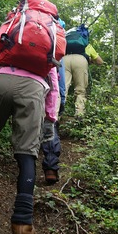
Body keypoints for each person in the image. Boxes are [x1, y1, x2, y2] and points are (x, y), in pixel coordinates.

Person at [0, 12, 60, 234]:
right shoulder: (50, 35)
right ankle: (22, 224)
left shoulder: (10, 27)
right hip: (34, 88)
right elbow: (53, 78)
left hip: (0, 81)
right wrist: (51, 112)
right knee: (27, 154)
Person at [40, 18, 67, 184]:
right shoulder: (56, 42)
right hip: (49, 89)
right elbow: (60, 78)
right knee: (49, 125)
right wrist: (61, 100)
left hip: (27, 86)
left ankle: (24, 164)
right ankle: (50, 167)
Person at [63, 27, 103, 117]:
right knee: (80, 90)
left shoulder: (66, 43)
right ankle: (79, 115)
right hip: (80, 61)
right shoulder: (86, 45)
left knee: (62, 89)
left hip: (64, 60)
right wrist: (90, 61)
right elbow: (100, 62)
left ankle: (55, 116)